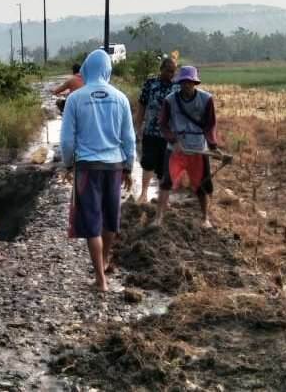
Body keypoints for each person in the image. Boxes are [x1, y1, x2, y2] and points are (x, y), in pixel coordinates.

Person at [60, 49, 136, 292]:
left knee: (92, 220)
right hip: (114, 166)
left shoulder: (75, 99)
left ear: (85, 69)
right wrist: (128, 167)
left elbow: (67, 141)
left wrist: (68, 164)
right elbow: (129, 139)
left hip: (87, 167)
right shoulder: (121, 98)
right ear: (107, 70)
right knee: (110, 218)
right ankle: (104, 262)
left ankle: (100, 280)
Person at [154, 66, 219, 228]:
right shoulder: (170, 100)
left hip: (198, 148)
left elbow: (210, 125)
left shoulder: (206, 99)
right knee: (166, 181)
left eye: (190, 82)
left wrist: (212, 145)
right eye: (183, 82)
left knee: (201, 184)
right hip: (176, 148)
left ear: (195, 83)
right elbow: (163, 124)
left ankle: (205, 218)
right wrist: (173, 141)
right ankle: (158, 217)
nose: (186, 85)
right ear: (179, 83)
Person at [136, 58, 178, 203]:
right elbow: (142, 106)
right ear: (161, 69)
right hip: (150, 131)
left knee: (164, 167)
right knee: (148, 162)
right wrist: (138, 128)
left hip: (168, 134)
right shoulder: (150, 83)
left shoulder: (176, 87)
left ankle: (162, 198)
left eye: (173, 72)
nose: (171, 74)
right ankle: (144, 193)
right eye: (168, 71)